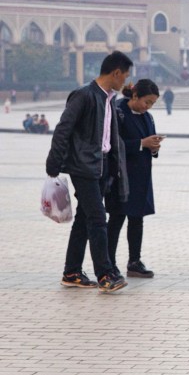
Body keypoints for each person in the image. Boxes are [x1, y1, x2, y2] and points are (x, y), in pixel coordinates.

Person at [45, 50, 133, 293]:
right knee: (97, 219)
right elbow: (63, 129)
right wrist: (53, 163)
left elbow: (109, 137)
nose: (125, 80)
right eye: (124, 76)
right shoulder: (84, 95)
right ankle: (105, 274)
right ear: (115, 73)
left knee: (84, 219)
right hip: (84, 167)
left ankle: (72, 271)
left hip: (101, 166)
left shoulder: (109, 99)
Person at [106, 80, 163, 278]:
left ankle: (134, 261)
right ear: (135, 95)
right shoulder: (117, 112)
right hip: (120, 176)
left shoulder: (148, 117)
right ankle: (108, 263)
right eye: (147, 102)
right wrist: (141, 143)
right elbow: (112, 143)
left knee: (137, 219)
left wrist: (153, 147)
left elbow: (149, 143)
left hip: (141, 176)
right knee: (116, 218)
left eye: (152, 104)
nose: (148, 107)